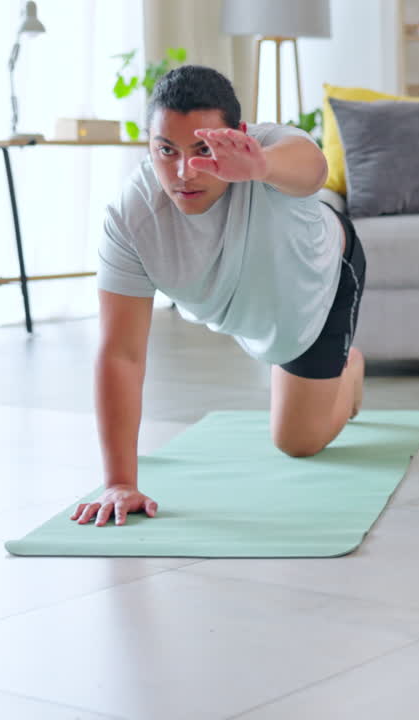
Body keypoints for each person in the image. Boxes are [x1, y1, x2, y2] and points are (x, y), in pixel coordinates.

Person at [71, 65, 367, 527]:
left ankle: (348, 371)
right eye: (165, 150)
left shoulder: (267, 150)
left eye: (203, 149)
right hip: (256, 306)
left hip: (320, 286)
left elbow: (313, 171)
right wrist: (119, 482)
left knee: (298, 443)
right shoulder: (130, 219)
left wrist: (259, 167)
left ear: (239, 135)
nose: (184, 172)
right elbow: (121, 354)